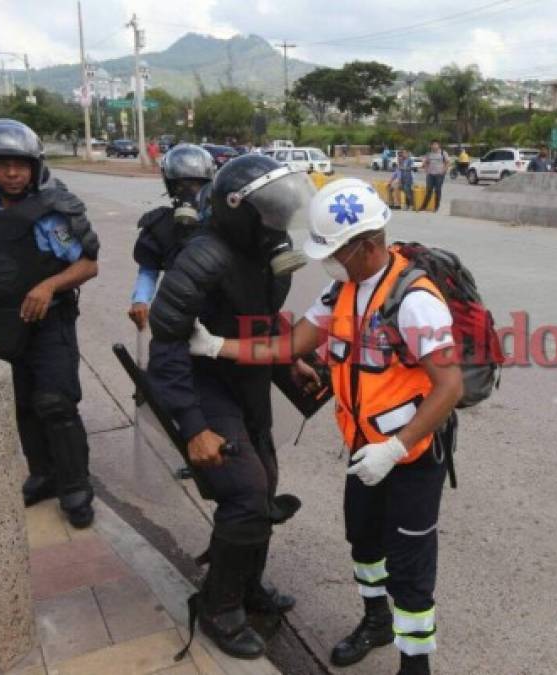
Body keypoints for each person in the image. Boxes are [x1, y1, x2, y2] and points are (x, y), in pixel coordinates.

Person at [186, 178, 463, 675]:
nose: (325, 261)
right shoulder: (344, 289)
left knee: (411, 566)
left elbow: (449, 387)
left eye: (335, 250)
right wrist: (217, 347)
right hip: (363, 449)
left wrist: (397, 448)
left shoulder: (415, 299)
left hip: (411, 458)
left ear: (369, 244)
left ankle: (415, 663)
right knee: (364, 545)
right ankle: (376, 621)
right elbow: (288, 346)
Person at [148, 154, 314, 659]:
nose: (278, 221)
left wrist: (290, 364)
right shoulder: (203, 257)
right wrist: (193, 425)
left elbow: (263, 317)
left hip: (249, 380)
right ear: (239, 209)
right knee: (245, 492)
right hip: (206, 386)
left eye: (282, 212)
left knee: (266, 485)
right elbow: (167, 345)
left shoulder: (267, 250)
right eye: (269, 212)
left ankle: (247, 585)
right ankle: (219, 605)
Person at [0, 119, 101, 528]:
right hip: (2, 325)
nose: (13, 173)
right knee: (23, 404)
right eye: (3, 165)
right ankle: (44, 475)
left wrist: (49, 286)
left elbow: (87, 265)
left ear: (35, 167)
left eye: (21, 165)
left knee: (56, 403)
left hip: (50, 325)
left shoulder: (51, 213)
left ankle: (75, 486)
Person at [128, 144, 215, 332]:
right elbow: (148, 270)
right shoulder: (161, 225)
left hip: (217, 311)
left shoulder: (221, 221)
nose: (188, 191)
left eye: (195, 184)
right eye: (180, 185)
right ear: (170, 186)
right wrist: (140, 300)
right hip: (176, 308)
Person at [420, 141, 449, 212]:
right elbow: (425, 162)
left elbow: (447, 162)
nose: (434, 146)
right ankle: (423, 207)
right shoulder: (429, 154)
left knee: (437, 191)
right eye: (433, 145)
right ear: (431, 146)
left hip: (439, 175)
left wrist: (444, 171)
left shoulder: (443, 153)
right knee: (428, 190)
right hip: (430, 175)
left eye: (436, 144)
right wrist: (426, 170)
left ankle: (436, 207)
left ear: (439, 145)